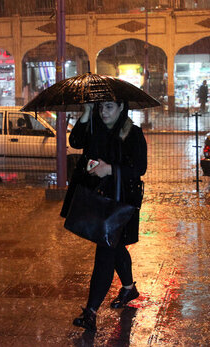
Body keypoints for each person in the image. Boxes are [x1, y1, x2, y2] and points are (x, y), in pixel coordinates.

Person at [60, 101, 147, 332]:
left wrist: (110, 169)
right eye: (101, 108)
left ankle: (91, 312)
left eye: (109, 107)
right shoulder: (94, 128)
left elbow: (140, 168)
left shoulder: (132, 132)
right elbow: (75, 142)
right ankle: (128, 288)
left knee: (106, 250)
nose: (104, 112)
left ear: (121, 107)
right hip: (98, 200)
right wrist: (87, 112)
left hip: (120, 203)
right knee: (114, 246)